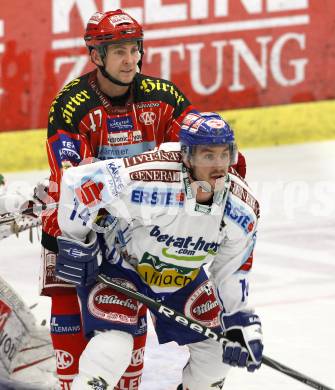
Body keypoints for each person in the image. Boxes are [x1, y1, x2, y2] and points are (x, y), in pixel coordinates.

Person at [40, 9, 198, 389]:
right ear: (96, 56)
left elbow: (202, 149)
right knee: (64, 279)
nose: (131, 60)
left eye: (134, 50)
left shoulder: (162, 96)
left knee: (125, 318)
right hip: (81, 219)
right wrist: (91, 228)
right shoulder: (72, 103)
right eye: (120, 52)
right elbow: (70, 180)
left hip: (141, 223)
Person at [55, 112, 263, 390]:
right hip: (121, 267)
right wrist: (77, 242)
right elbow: (75, 182)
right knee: (112, 350)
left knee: (216, 355)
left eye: (224, 154)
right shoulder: (149, 174)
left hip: (183, 278)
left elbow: (231, 271)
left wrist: (240, 321)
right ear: (187, 156)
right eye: (208, 155)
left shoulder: (242, 208)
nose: (219, 165)